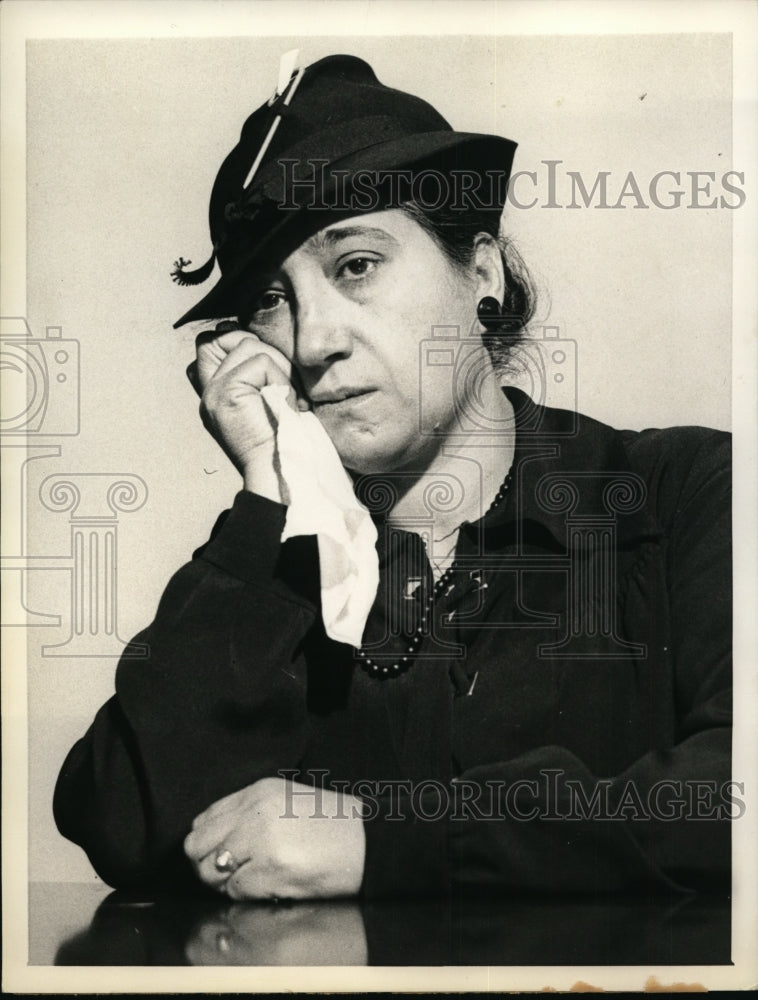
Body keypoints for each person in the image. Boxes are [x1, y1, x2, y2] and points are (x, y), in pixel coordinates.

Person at [54, 53, 732, 902]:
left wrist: (389, 843)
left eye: (356, 266)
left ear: (480, 272)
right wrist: (269, 494)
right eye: (271, 298)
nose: (311, 342)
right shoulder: (283, 576)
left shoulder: (688, 493)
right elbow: (126, 823)